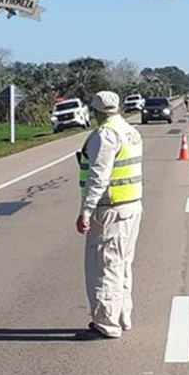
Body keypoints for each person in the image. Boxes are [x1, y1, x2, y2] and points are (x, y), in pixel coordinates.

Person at [75, 91, 144, 341]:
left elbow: (98, 177)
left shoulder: (105, 135)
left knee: (104, 267)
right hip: (130, 206)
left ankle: (106, 323)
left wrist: (86, 211)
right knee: (122, 265)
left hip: (110, 209)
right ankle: (123, 317)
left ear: (96, 111)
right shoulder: (129, 131)